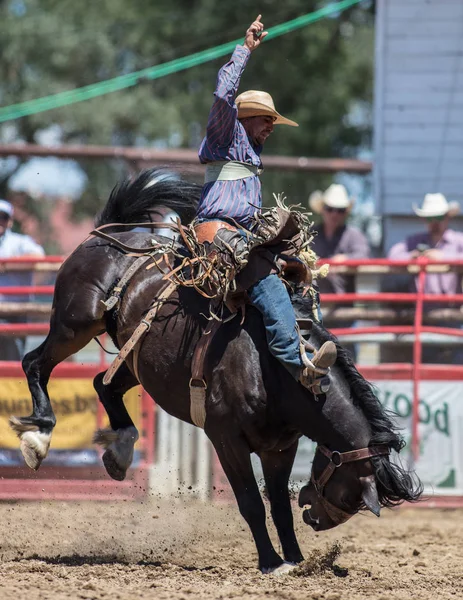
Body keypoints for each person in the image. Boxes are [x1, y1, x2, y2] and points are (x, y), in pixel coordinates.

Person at [196, 15, 337, 394]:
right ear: (245, 118)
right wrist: (245, 50)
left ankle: (307, 344)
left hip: (240, 235)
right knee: (267, 283)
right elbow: (224, 93)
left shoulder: (250, 153)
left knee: (301, 276)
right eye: (267, 119)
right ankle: (298, 366)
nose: (272, 126)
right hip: (219, 233)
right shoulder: (226, 133)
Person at [387, 193, 463, 364]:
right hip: (424, 313)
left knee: (455, 361)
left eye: (438, 217)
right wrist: (413, 256)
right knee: (429, 361)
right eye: (430, 218)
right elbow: (393, 256)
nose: (434, 222)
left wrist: (443, 257)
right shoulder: (416, 242)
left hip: (452, 312)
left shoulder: (458, 240)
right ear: (424, 220)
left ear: (447, 217)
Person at [309, 184, 370, 360]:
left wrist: (346, 259)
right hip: (315, 308)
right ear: (323, 210)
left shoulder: (353, 235)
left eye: (340, 210)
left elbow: (363, 255)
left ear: (345, 213)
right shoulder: (313, 233)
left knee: (346, 358)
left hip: (343, 311)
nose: (335, 214)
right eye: (331, 209)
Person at [0, 199, 45, 360]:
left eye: (3, 217)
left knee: (12, 348)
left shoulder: (20, 242)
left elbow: (38, 255)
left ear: (10, 222)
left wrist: (6, 265)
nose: (0, 221)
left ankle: (11, 380)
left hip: (15, 309)